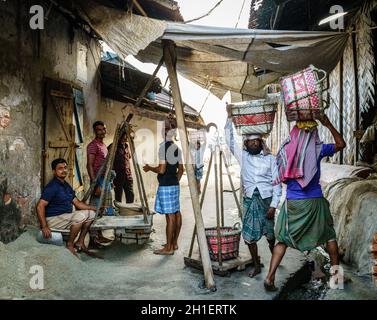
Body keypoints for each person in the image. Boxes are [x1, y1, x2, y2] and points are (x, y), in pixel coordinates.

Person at [264, 115, 346, 291]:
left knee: (283, 240)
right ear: (313, 132)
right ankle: (337, 278)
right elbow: (341, 144)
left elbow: (278, 171)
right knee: (329, 236)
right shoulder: (318, 149)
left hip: (294, 202)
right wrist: (328, 123)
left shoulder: (286, 149)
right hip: (315, 201)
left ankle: (270, 278)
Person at [225, 107, 282, 277]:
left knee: (270, 236)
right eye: (251, 142)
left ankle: (275, 260)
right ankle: (256, 265)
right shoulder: (243, 157)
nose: (254, 143)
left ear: (261, 142)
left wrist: (273, 206)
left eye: (257, 141)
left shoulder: (271, 159)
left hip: (266, 201)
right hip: (250, 200)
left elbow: (277, 184)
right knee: (248, 236)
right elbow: (229, 139)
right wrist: (229, 118)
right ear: (246, 144)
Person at [36, 158, 97, 257]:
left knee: (91, 214)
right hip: (53, 218)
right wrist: (44, 226)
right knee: (80, 216)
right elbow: (40, 206)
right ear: (54, 171)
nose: (64, 170)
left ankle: (80, 242)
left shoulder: (66, 186)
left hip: (65, 217)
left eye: (65, 168)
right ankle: (70, 244)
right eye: (60, 168)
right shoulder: (52, 187)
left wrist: (95, 208)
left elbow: (77, 203)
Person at [143, 119, 184, 255]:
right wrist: (174, 180)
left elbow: (161, 170)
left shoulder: (163, 147)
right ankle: (174, 243)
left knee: (170, 216)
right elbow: (181, 169)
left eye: (163, 128)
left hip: (166, 185)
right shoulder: (176, 148)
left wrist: (149, 168)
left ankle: (168, 248)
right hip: (174, 184)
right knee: (176, 213)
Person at [87, 120, 113, 245]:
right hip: (98, 180)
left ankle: (100, 235)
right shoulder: (93, 145)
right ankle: (93, 238)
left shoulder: (103, 145)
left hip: (105, 179)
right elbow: (90, 165)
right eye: (99, 130)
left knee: (102, 209)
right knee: (95, 209)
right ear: (95, 131)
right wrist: (95, 184)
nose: (102, 131)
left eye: (104, 129)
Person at [109, 132, 134, 203]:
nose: (128, 137)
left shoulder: (126, 146)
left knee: (130, 194)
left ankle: (129, 210)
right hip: (118, 175)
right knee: (118, 195)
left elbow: (129, 157)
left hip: (128, 174)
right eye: (127, 135)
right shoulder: (113, 146)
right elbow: (109, 160)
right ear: (122, 135)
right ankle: (119, 210)